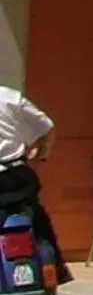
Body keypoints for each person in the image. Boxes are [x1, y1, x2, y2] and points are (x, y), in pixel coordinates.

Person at [0, 87, 72, 283]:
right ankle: (57, 268)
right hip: (16, 176)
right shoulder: (10, 98)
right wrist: (42, 154)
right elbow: (47, 127)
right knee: (37, 219)